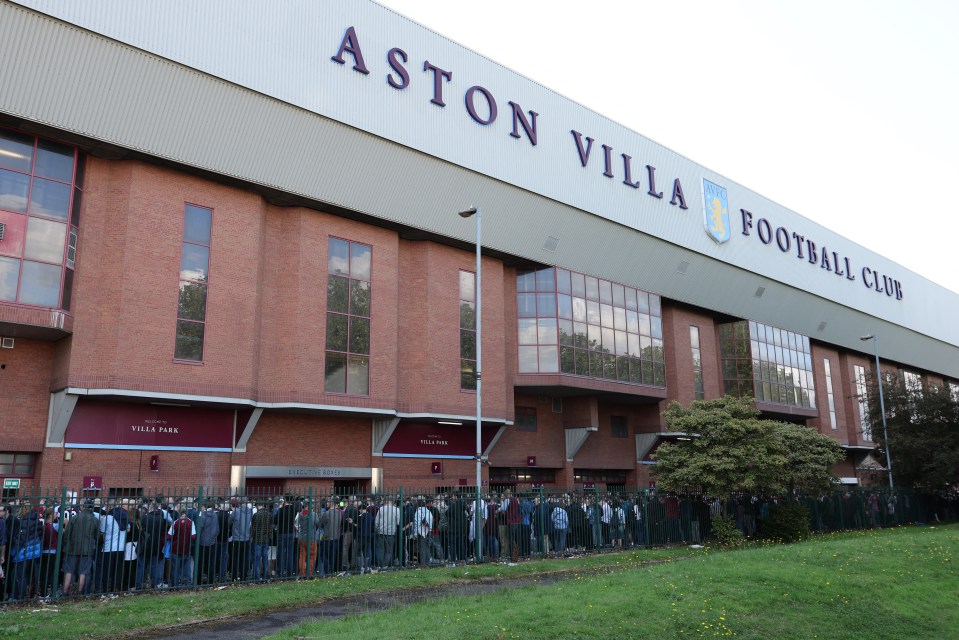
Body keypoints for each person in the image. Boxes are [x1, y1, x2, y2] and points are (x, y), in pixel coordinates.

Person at [60, 500, 99, 597]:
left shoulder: (74, 518)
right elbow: (97, 536)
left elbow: (67, 534)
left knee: (68, 570)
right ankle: (79, 592)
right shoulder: (95, 520)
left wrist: (66, 545)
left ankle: (65, 592)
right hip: (87, 550)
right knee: (83, 572)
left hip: (72, 548)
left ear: (83, 507)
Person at [167, 511, 196, 588]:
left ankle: (175, 585)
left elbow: (169, 536)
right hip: (186, 548)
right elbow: (193, 536)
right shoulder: (191, 522)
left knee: (175, 568)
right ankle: (187, 584)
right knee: (186, 567)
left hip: (175, 548)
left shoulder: (175, 522)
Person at [374, 499, 400, 569]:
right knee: (389, 550)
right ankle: (385, 565)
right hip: (391, 532)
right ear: (393, 502)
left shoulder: (381, 509)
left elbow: (376, 521)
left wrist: (377, 529)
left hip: (381, 531)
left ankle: (380, 565)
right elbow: (398, 522)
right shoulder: (397, 510)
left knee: (381, 549)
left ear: (386, 501)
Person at [250, 501, 272, 581]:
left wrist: (251, 537)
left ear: (257, 506)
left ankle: (257, 577)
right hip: (266, 539)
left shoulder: (256, 515)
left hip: (257, 539)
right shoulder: (269, 514)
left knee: (257, 559)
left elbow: (253, 528)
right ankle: (266, 576)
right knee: (265, 558)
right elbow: (270, 528)